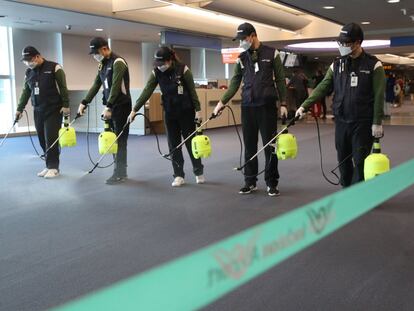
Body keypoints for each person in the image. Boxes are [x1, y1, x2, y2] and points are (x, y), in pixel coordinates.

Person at [295, 23, 385, 188]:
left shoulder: (374, 65)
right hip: (342, 120)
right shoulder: (336, 65)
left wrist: (377, 121)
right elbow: (323, 87)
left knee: (360, 160)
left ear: (358, 42)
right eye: (340, 43)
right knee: (342, 158)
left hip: (363, 122)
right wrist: (304, 106)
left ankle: (358, 193)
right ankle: (346, 187)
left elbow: (379, 95)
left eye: (346, 43)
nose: (342, 46)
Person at [213, 22, 287, 196]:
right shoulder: (241, 57)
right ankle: (250, 181)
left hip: (267, 106)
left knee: (270, 146)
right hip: (248, 106)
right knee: (249, 147)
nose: (241, 43)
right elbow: (234, 84)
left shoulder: (271, 53)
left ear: (253, 36)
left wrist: (283, 103)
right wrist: (221, 103)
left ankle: (271, 182)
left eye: (243, 39)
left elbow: (281, 80)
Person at [128, 46, 204, 187]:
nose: (160, 66)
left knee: (190, 143)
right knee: (173, 145)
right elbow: (147, 91)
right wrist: (134, 110)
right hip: (169, 112)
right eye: (158, 63)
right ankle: (179, 175)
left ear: (170, 60)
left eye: (162, 63)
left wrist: (198, 111)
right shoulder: (156, 72)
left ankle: (198, 171)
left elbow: (193, 92)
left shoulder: (183, 70)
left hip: (186, 111)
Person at [78, 37, 131, 185]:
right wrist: (84, 102)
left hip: (121, 106)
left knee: (120, 140)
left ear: (105, 48)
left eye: (97, 52)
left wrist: (109, 106)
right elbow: (96, 84)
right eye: (93, 53)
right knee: (113, 139)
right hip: (110, 105)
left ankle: (120, 173)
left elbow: (115, 86)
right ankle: (120, 171)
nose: (95, 56)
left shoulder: (118, 62)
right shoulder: (102, 64)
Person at [15, 46, 70, 179]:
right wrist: (19, 108)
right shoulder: (29, 73)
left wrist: (66, 105)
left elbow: (63, 87)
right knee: (41, 139)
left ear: (38, 56)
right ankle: (48, 165)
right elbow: (25, 92)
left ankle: (54, 167)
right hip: (38, 110)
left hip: (54, 109)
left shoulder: (54, 68)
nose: (28, 63)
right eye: (26, 61)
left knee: (51, 138)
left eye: (30, 60)